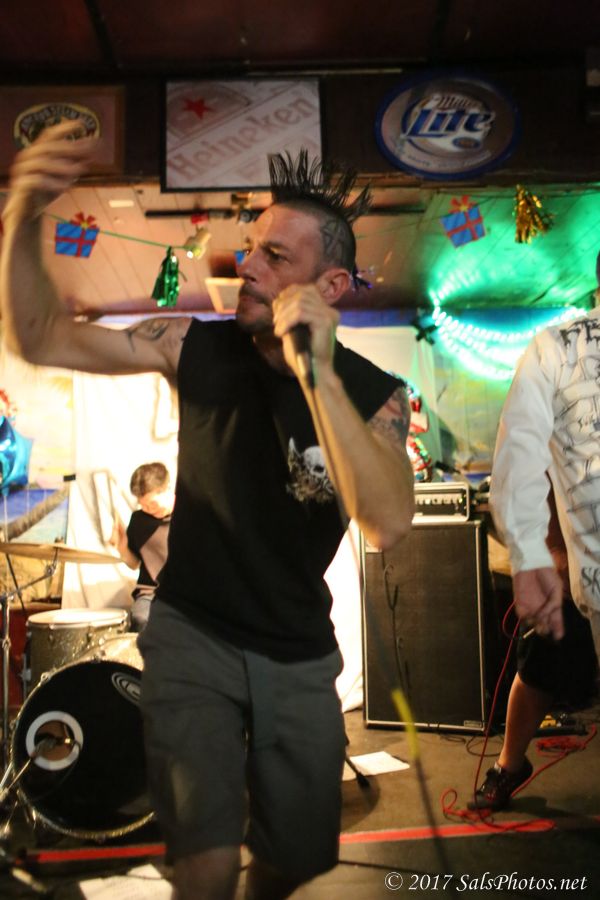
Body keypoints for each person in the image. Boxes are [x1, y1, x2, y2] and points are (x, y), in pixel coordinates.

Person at [0, 121, 415, 900]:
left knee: (300, 857)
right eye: (250, 248)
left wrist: (318, 373)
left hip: (297, 647)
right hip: (193, 635)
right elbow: (40, 334)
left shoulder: (373, 394)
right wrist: (21, 212)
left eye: (275, 257)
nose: (245, 266)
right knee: (206, 866)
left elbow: (388, 523)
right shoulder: (193, 345)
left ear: (329, 287)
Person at [470, 306, 600, 811]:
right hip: (574, 561)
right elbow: (525, 463)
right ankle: (509, 764)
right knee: (541, 664)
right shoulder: (559, 350)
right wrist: (544, 552)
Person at [110, 461, 174, 632]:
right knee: (140, 618)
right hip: (150, 593)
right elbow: (135, 564)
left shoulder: (190, 515)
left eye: (152, 504)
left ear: (168, 488)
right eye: (143, 505)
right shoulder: (139, 520)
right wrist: (122, 548)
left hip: (185, 594)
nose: (148, 509)